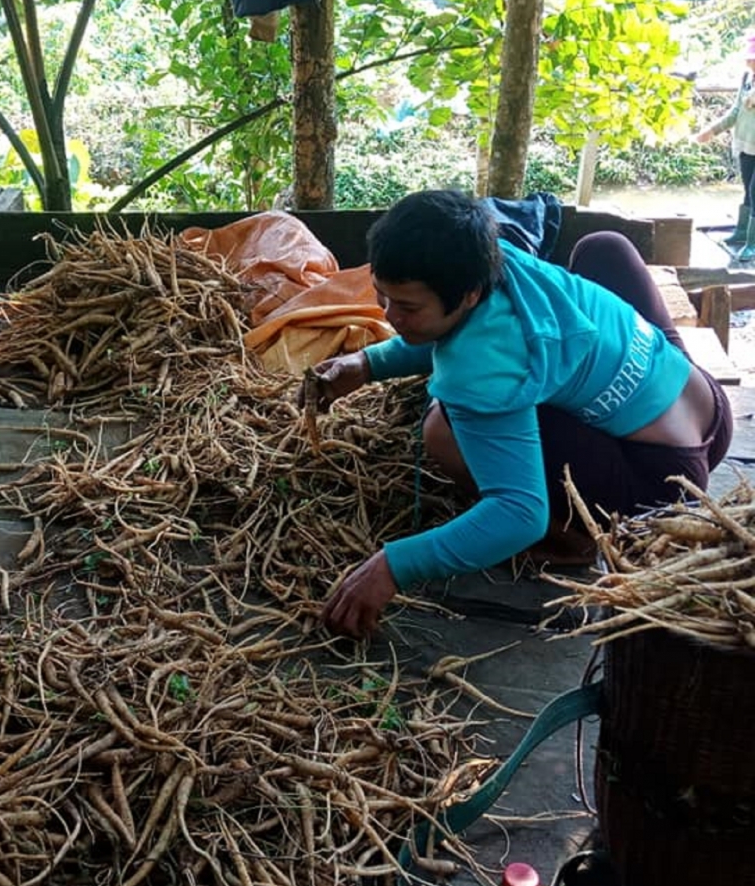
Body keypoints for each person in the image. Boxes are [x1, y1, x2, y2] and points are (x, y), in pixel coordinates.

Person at [304, 190, 733, 639]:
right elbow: (441, 330)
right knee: (603, 249)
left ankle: (571, 540)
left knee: (442, 425)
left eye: (408, 307)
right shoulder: (491, 255)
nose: (389, 316)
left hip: (659, 485)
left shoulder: (480, 368)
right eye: (382, 297)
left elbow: (518, 514)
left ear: (468, 295)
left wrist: (392, 567)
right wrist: (369, 364)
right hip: (700, 399)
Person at [695, 29, 755, 262]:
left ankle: (752, 243)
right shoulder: (746, 78)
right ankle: (741, 233)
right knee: (747, 191)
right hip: (746, 145)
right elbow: (735, 112)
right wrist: (710, 131)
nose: (750, 62)